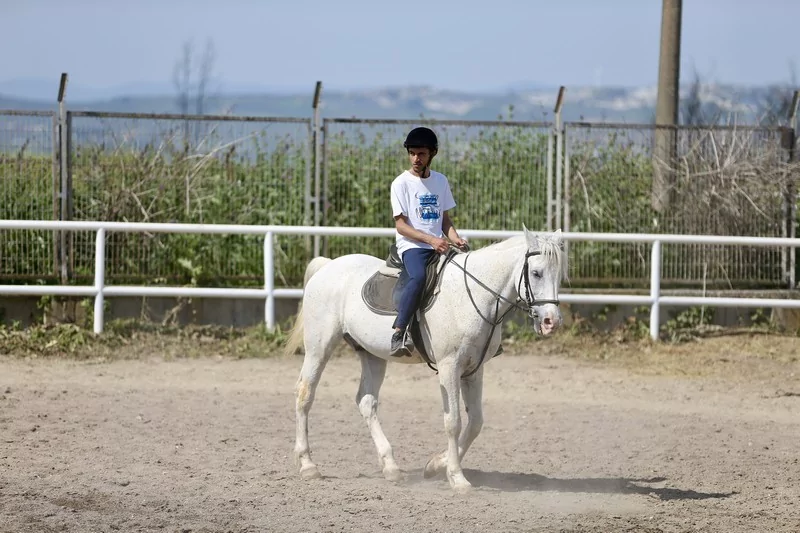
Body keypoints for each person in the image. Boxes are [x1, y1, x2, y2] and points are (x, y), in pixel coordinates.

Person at [388, 126, 467, 357]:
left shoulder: (440, 181)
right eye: (412, 153)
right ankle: (399, 332)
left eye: (421, 154)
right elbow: (401, 226)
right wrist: (431, 240)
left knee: (465, 272)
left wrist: (456, 239)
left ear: (432, 154)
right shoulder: (400, 183)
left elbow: (445, 221)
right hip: (412, 246)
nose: (416, 159)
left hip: (438, 244)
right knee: (419, 277)